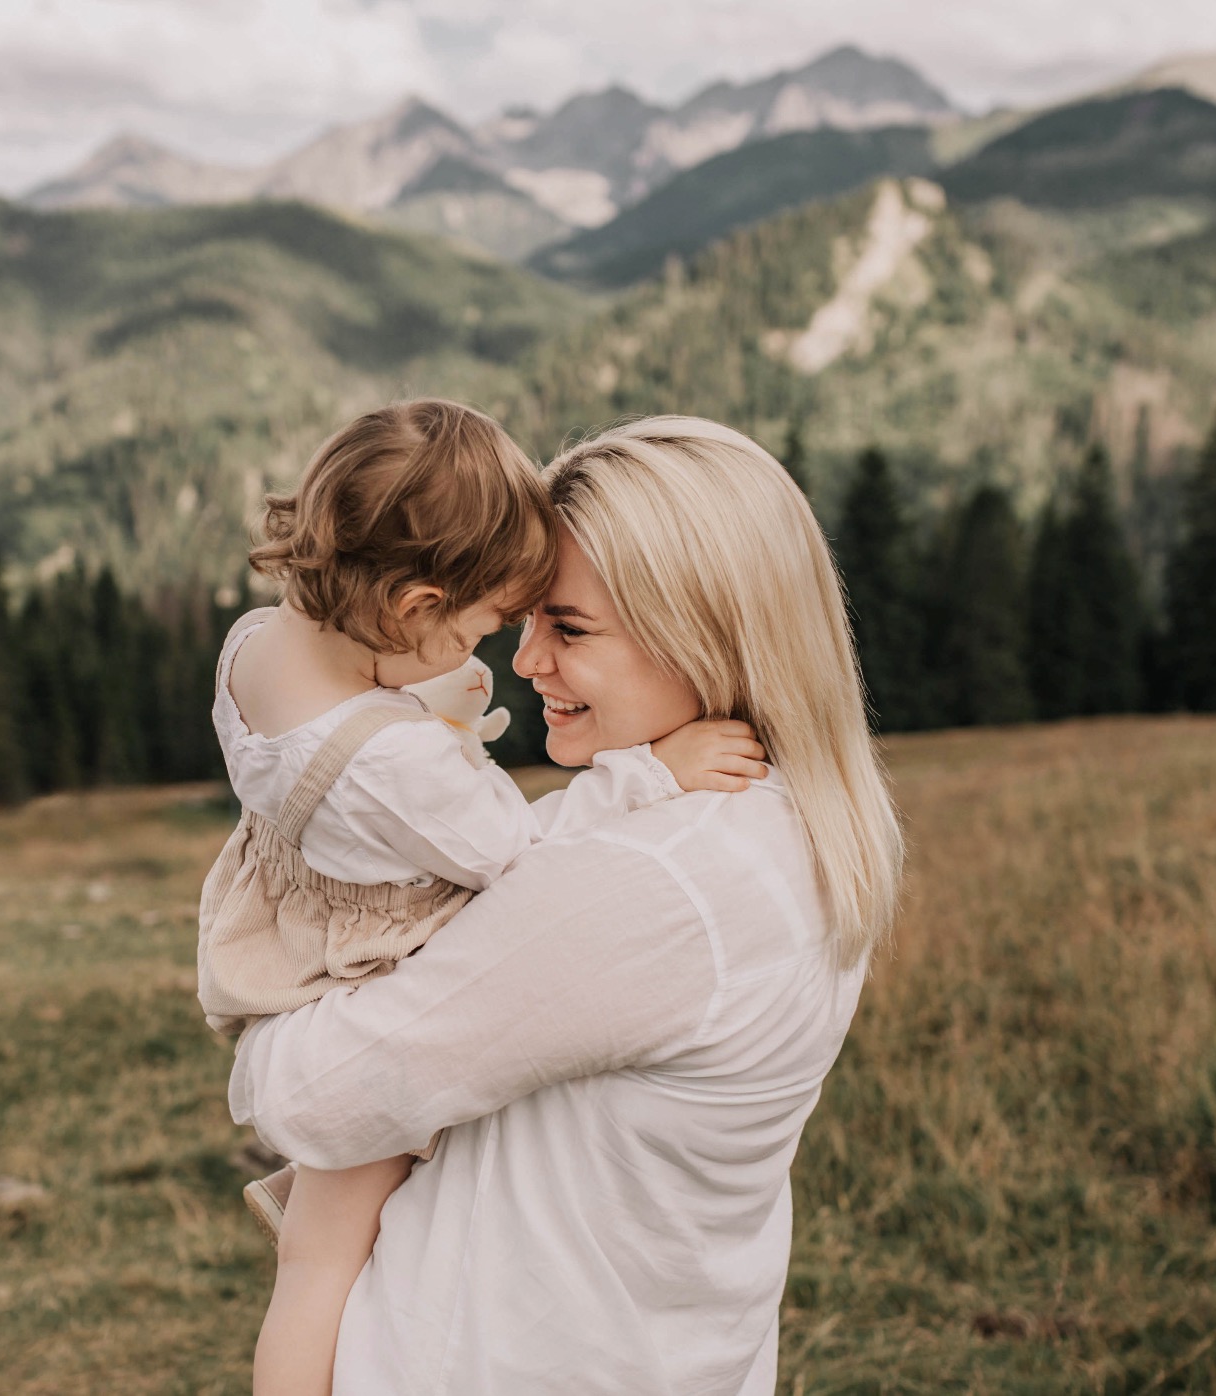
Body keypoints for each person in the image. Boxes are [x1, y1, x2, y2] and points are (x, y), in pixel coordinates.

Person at [230, 415, 906, 1395]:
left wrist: (266, 1021)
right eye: (526, 619)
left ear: (704, 634)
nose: (527, 660)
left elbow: (300, 1099)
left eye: (570, 628)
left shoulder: (661, 880)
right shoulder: (779, 823)